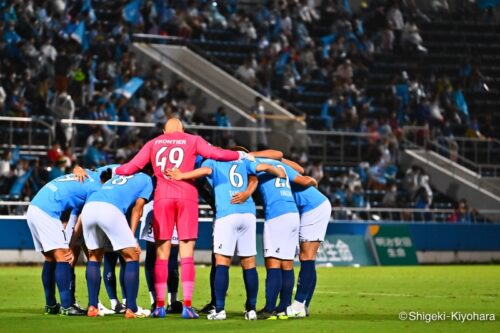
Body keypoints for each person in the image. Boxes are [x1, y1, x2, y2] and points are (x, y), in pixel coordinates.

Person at [115, 118, 253, 319]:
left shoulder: (154, 142)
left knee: (162, 254)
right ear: (183, 129)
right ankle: (187, 306)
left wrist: (112, 171)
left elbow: (129, 168)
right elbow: (217, 154)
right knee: (186, 254)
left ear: (164, 130)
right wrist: (240, 154)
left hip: (162, 198)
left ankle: (160, 306)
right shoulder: (193, 139)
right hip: (187, 197)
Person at [166, 154, 286, 320]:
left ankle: (220, 309)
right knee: (249, 263)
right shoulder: (243, 161)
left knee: (222, 263)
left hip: (227, 213)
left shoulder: (214, 161)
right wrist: (278, 171)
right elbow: (263, 167)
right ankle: (251, 309)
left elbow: (205, 170)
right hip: (248, 215)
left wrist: (182, 175)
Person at [26, 168, 109, 316]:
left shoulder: (90, 175)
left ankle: (51, 305)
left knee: (50, 258)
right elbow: (81, 218)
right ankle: (67, 306)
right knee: (63, 257)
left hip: (34, 207)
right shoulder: (97, 189)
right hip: (47, 211)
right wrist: (70, 244)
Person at [80, 172, 153, 318]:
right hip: (110, 209)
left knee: (94, 256)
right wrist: (131, 238)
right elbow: (137, 209)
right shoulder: (146, 179)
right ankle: (132, 309)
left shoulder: (119, 175)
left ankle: (93, 306)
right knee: (132, 256)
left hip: (89, 208)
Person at [253, 158, 301, 319]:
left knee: (273, 262)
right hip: (293, 213)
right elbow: (299, 169)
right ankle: (283, 309)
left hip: (277, 214)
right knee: (287, 263)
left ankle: (269, 309)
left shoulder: (255, 164)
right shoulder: (279, 164)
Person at [281, 163, 332, 318]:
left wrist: (310, 180)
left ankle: (298, 305)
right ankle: (304, 305)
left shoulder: (273, 165)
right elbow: (301, 169)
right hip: (309, 206)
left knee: (307, 256)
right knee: (307, 257)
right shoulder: (275, 165)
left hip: (313, 207)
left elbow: (303, 176)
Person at [139, 200, 183, 313]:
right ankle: (157, 301)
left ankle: (170, 301)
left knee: (169, 257)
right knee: (154, 257)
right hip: (158, 205)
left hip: (170, 205)